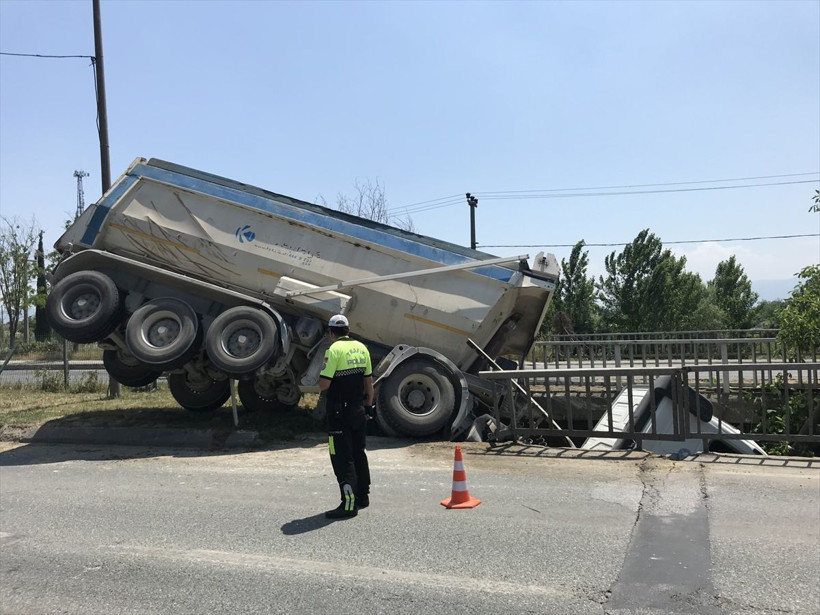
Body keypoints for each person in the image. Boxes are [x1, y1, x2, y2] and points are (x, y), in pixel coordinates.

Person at [318, 314, 375, 519]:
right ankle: (363, 497)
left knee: (342, 457)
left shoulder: (333, 350)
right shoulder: (362, 348)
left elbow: (324, 384)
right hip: (358, 410)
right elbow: (369, 384)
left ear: (331, 333)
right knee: (359, 453)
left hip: (338, 413)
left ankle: (348, 504)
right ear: (348, 330)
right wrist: (368, 408)